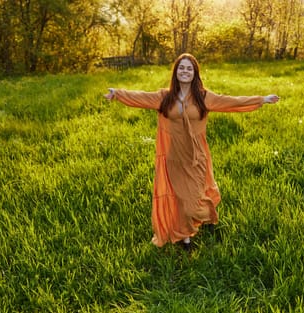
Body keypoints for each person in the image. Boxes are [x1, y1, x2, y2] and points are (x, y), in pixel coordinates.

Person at [105, 53, 279, 251]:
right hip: (174, 158)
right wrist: (117, 93)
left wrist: (261, 99)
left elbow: (231, 101)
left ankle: (207, 215)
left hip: (196, 158)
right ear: (176, 72)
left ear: (195, 73)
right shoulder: (165, 97)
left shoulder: (204, 97)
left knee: (193, 201)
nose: (185, 71)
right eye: (181, 68)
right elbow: (141, 97)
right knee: (181, 201)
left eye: (189, 68)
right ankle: (185, 238)